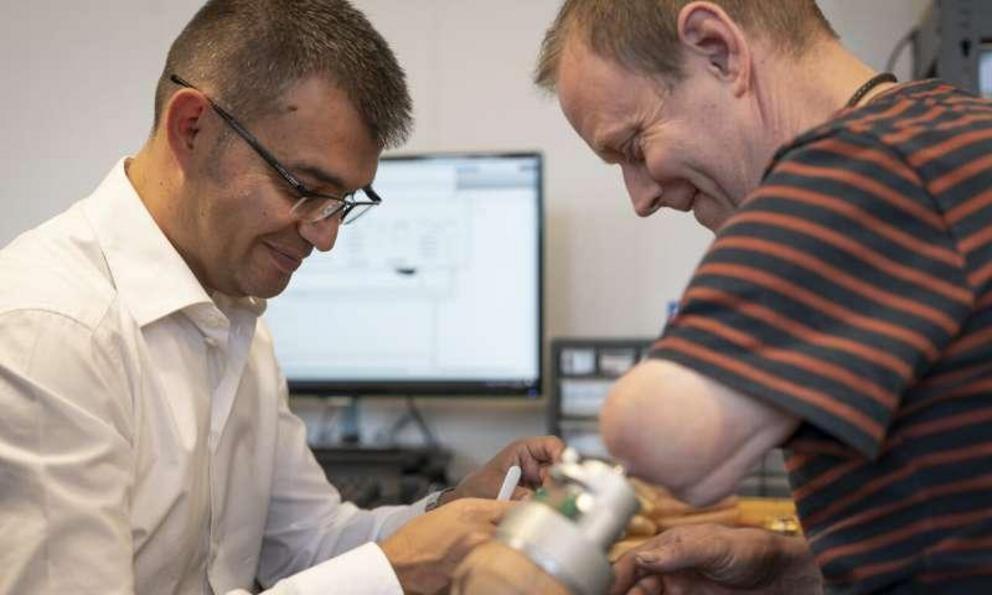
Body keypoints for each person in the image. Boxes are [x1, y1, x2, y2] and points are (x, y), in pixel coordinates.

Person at [0, 1, 564, 594]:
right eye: (304, 188)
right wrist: (390, 574)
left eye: (342, 202)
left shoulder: (234, 317)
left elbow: (309, 544)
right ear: (191, 127)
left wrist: (455, 506)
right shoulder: (49, 334)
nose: (324, 238)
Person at [534, 0, 992, 593]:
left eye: (634, 146)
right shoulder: (952, 138)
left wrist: (516, 554)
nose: (641, 198)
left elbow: (661, 439)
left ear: (717, 48)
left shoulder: (865, 165)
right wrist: (793, 568)